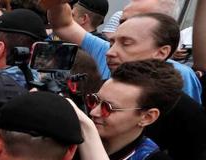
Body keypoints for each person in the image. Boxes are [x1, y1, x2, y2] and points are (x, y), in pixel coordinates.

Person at [57, 59, 183, 160]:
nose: (94, 112)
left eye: (108, 108)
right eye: (94, 100)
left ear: (147, 117)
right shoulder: (71, 138)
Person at [44, 0, 202, 103]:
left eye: (136, 21)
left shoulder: (181, 76)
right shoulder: (105, 49)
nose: (111, 53)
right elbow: (64, 25)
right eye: (122, 20)